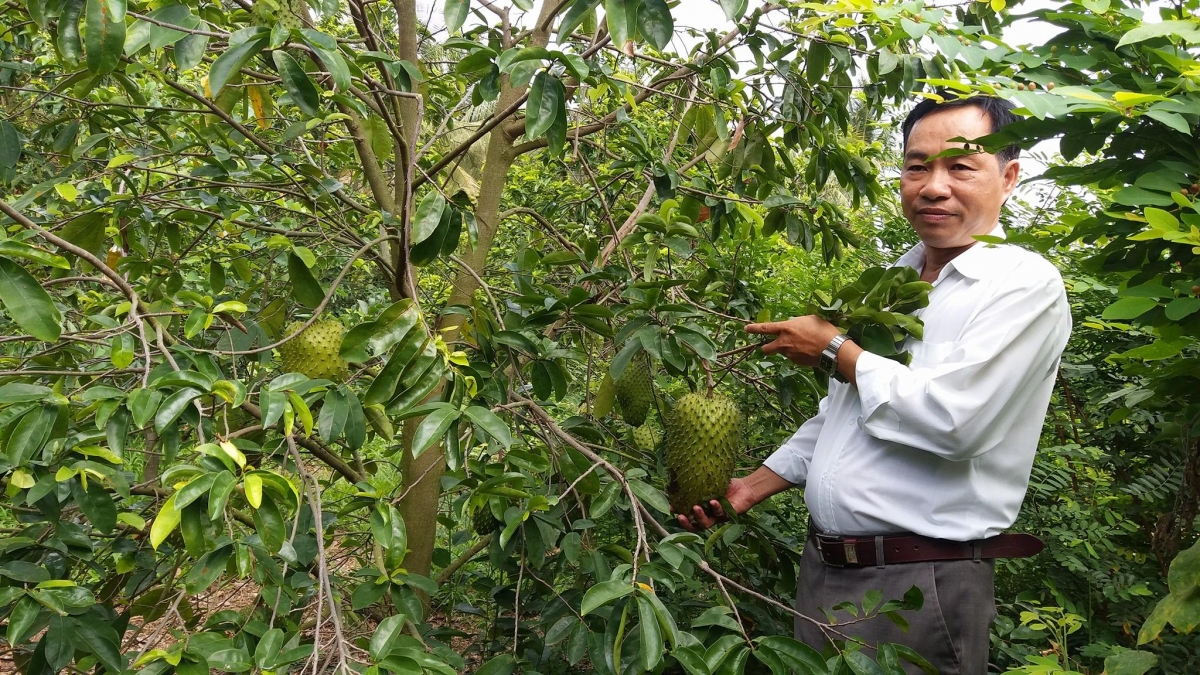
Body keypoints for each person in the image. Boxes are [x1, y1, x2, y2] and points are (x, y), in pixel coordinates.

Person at [677, 95, 1072, 673]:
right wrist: (753, 487)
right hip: (825, 570)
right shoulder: (894, 282)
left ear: (1008, 177)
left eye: (960, 167)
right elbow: (844, 413)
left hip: (921, 583)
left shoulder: (1023, 285)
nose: (933, 186)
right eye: (917, 166)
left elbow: (957, 421)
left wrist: (837, 348)